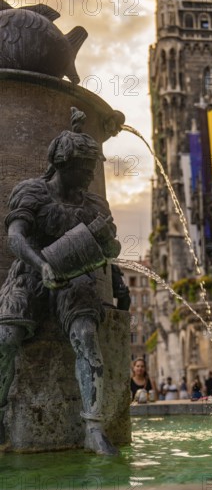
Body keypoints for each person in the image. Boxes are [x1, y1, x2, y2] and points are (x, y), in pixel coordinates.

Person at [0, 108, 122, 455]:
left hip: (76, 280)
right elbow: (15, 239)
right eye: (82, 170)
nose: (88, 177)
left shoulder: (95, 203)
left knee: (86, 335)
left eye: (92, 169)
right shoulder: (31, 192)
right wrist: (41, 265)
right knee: (5, 337)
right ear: (60, 165)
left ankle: (94, 428)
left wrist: (108, 244)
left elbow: (108, 248)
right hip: (31, 272)